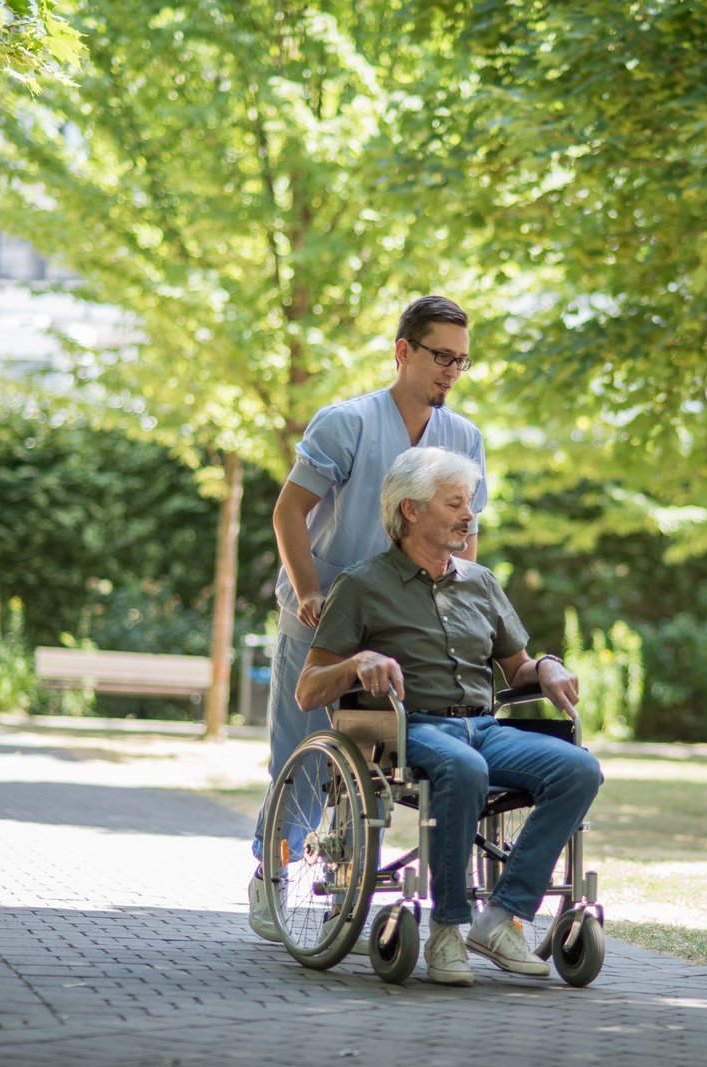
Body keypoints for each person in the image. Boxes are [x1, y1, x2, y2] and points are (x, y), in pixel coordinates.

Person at [295, 447, 603, 986]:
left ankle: (501, 917)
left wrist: (547, 667)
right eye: (455, 502)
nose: (469, 515)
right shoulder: (362, 585)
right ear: (411, 510)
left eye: (471, 503)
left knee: (579, 768)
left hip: (483, 727)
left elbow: (517, 667)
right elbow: (308, 689)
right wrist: (357, 662)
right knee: (463, 767)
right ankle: (446, 926)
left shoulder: (480, 582)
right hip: (410, 729)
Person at [247, 296, 488, 942]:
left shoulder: (464, 439)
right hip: (323, 622)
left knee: (377, 765)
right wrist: (306, 591)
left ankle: (346, 888)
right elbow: (288, 512)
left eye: (461, 361)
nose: (451, 372)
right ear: (404, 351)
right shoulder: (345, 423)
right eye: (441, 356)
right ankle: (271, 877)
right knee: (299, 758)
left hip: (405, 631)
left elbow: (466, 540)